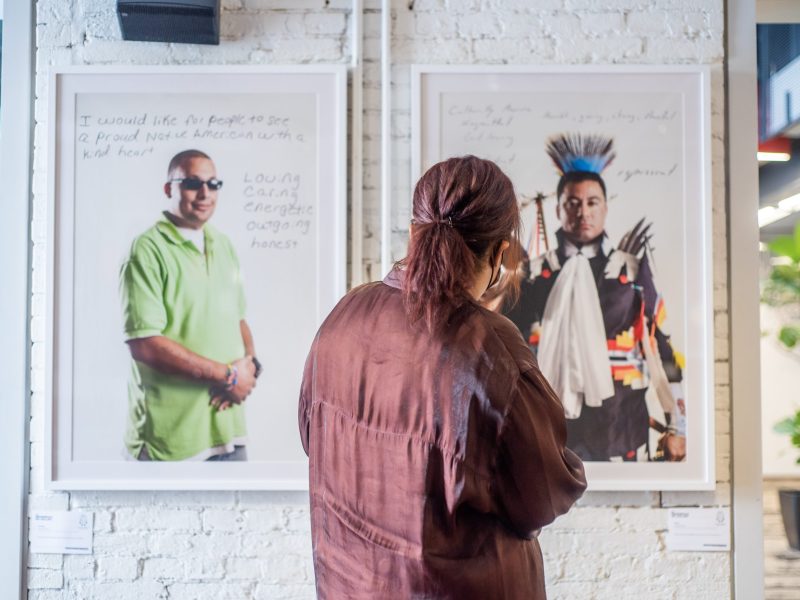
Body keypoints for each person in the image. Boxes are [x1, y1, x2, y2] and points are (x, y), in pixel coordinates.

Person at [298, 156, 586, 598]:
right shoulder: (491, 346)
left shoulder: (342, 319)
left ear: (414, 233)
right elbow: (543, 496)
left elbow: (312, 441)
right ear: (503, 252)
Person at [500, 134, 687, 462]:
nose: (583, 212)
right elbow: (506, 352)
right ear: (559, 209)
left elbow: (661, 346)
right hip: (551, 427)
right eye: (573, 203)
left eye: (592, 202)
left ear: (605, 207)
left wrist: (678, 426)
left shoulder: (630, 272)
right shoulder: (532, 275)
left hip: (621, 422)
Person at [120, 149, 261, 461]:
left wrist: (250, 366)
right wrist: (228, 376)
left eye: (213, 184)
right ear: (169, 189)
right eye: (193, 183)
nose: (205, 193)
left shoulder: (222, 244)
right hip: (171, 441)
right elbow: (145, 344)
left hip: (228, 430)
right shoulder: (146, 249)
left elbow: (238, 318)